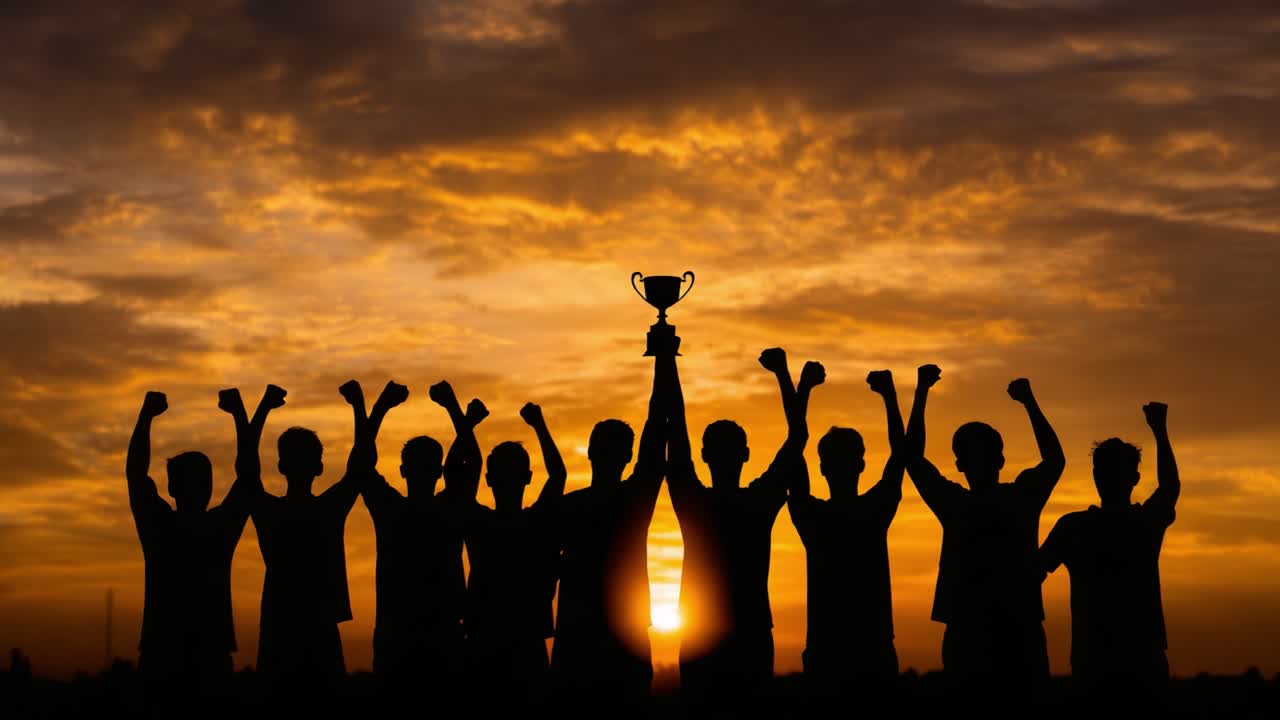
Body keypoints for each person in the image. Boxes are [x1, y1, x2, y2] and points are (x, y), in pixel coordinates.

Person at [665, 347, 819, 693]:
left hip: (703, 636)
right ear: (746, 455)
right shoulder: (757, 502)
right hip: (748, 633)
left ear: (703, 455)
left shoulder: (693, 502)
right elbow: (798, 438)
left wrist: (668, 359)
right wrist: (787, 377)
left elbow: (675, 426)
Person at [904, 376, 1065, 703]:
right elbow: (1054, 460)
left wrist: (921, 393)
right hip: (1013, 631)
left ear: (959, 464)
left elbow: (913, 460)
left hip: (979, 633)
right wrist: (1028, 402)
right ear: (1001, 460)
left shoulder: (955, 503)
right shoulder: (1021, 497)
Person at [126, 385, 283, 704]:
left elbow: (135, 474)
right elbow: (249, 477)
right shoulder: (215, 528)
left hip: (172, 652)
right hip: (196, 653)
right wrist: (240, 415)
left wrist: (146, 416)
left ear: (170, 486)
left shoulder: (160, 525)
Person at [789, 364, 939, 695]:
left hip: (836, 650)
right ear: (861, 464)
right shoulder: (872, 509)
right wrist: (892, 396)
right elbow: (902, 455)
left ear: (822, 467)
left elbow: (794, 449)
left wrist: (803, 389)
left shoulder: (811, 514)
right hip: (866, 649)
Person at [551, 331, 668, 700]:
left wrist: (663, 360)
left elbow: (655, 426)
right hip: (583, 633)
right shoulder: (624, 499)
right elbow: (655, 427)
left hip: (615, 633)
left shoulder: (629, 498)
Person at [1041, 402, 1179, 703]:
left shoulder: (1078, 527)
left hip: (1114, 660)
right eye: (1106, 469)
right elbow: (1170, 487)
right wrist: (1159, 430)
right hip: (1118, 660)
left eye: (1112, 469)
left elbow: (1029, 576)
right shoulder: (1138, 523)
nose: (1108, 476)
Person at [359, 380, 486, 691]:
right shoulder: (443, 507)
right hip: (413, 635)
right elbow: (472, 463)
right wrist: (454, 409)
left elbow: (361, 465)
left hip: (423, 634)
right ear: (438, 472)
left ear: (403, 471)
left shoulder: (392, 509)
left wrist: (381, 408)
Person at [251, 382, 377, 688]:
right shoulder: (327, 511)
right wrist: (359, 407)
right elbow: (360, 466)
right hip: (315, 630)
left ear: (280, 466)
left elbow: (246, 470)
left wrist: (262, 409)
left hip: (282, 631)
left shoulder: (270, 511)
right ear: (319, 467)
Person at [463, 402, 566, 698]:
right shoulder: (528, 522)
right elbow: (558, 475)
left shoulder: (480, 521)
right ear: (529, 477)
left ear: (489, 479)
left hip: (500, 640)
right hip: (508, 640)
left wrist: (467, 424)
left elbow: (464, 473)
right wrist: (539, 425)